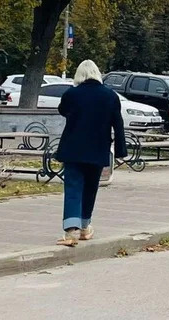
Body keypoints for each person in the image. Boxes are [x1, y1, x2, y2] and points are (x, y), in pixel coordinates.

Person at [54, 60, 127, 246]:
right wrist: (120, 150)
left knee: (73, 188)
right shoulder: (110, 96)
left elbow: (63, 110)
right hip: (98, 148)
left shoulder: (72, 94)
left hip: (73, 149)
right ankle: (85, 227)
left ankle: (71, 231)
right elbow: (118, 124)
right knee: (90, 188)